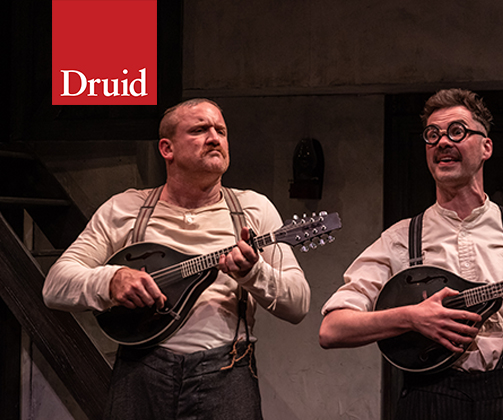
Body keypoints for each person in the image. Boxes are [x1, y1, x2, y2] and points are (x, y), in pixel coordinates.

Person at [319, 88, 503, 419]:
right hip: (430, 397)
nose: (442, 142)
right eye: (432, 135)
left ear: (486, 147)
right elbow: (331, 330)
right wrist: (411, 317)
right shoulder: (400, 238)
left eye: (457, 131)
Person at [43, 98, 310, 420]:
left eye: (221, 131)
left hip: (227, 373)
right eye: (199, 130)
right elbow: (55, 286)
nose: (214, 138)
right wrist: (109, 280)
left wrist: (254, 273)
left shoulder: (254, 209)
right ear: (167, 148)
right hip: (140, 371)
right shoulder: (125, 209)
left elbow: (298, 305)